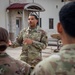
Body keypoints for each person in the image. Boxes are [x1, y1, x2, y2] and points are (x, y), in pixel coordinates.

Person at [31, 2, 75, 75]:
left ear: (59, 27)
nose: (30, 21)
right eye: (29, 19)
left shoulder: (44, 68)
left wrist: (32, 42)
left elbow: (44, 45)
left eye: (32, 19)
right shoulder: (24, 31)